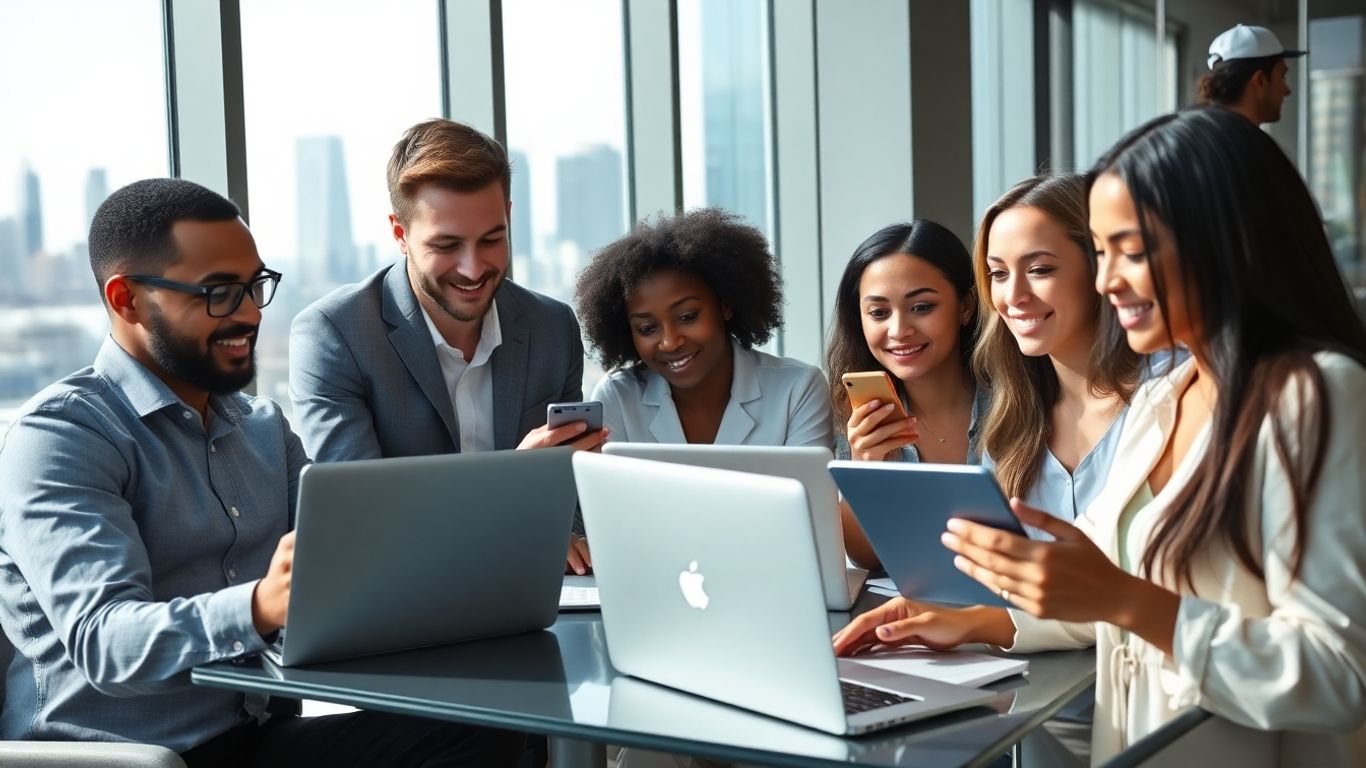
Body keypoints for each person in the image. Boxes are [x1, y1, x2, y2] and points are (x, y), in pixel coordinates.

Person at [836, 107, 1366, 764]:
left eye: (1131, 252)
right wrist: (979, 622)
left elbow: (1342, 675)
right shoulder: (1164, 398)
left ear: (1223, 241)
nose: (1108, 279)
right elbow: (1119, 603)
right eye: (1103, 252)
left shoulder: (1313, 395)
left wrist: (1122, 597)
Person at [0, 178, 522, 766]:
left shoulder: (263, 428)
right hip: (128, 757)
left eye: (254, 287)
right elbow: (106, 645)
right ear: (127, 300)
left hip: (254, 737)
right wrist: (259, 607)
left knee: (488, 731)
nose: (249, 314)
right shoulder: (62, 436)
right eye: (219, 293)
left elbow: (359, 563)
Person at [288, 119, 603, 574]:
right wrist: (511, 483)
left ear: (509, 217)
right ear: (400, 233)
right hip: (406, 601)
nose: (473, 269)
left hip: (531, 587)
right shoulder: (334, 336)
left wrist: (568, 534)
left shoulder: (551, 327)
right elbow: (362, 521)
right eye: (447, 245)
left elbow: (565, 492)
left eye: (491, 239)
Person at [575, 207, 831, 448]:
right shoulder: (617, 399)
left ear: (725, 305)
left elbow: (811, 494)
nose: (670, 342)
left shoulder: (797, 390)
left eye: (687, 316)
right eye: (647, 329)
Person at [973, 172, 1142, 532]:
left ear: (1100, 268)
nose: (1014, 295)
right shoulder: (1009, 427)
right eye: (998, 274)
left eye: (1039, 269)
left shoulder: (1161, 405)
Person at [825, 220, 983, 566]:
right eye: (879, 313)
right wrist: (863, 470)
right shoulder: (852, 413)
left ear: (966, 307)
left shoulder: (1016, 402)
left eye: (922, 307)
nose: (899, 330)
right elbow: (867, 559)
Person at [1198, 23, 1306, 126]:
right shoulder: (1242, 144)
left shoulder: (1201, 136)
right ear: (1260, 80)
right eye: (1282, 77)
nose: (1287, 90)